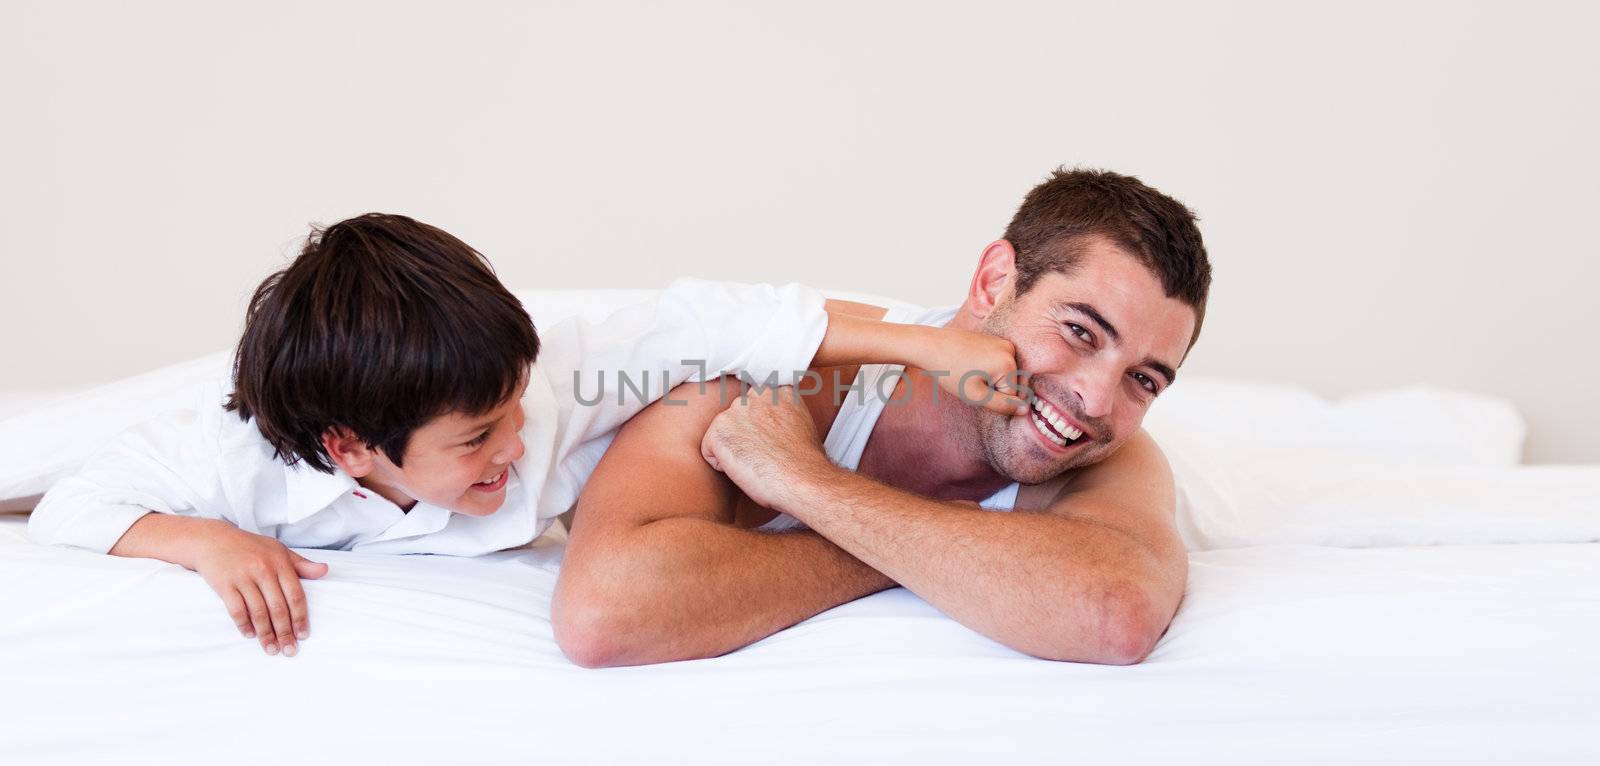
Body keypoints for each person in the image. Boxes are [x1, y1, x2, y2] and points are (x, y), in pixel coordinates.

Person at [27, 213, 1024, 658]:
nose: (511, 449)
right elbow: (73, 499)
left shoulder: (557, 377)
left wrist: (924, 347)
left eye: (512, 417)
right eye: (475, 440)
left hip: (591, 354)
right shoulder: (238, 461)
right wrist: (205, 540)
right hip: (268, 407)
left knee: (688, 356)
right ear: (348, 448)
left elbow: (722, 316)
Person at [553, 167, 1212, 667]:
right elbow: (604, 611)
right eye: (1080, 332)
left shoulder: (1106, 450)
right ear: (993, 284)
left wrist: (806, 482)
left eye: (1144, 379)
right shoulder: (772, 367)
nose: (1097, 400)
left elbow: (1115, 612)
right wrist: (957, 553)